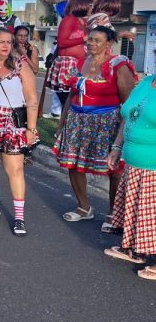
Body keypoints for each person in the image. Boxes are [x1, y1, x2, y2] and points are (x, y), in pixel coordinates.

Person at [54, 24, 136, 230]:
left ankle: (113, 214)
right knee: (72, 164)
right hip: (77, 121)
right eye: (89, 39)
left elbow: (128, 103)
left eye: (96, 40)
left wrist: (123, 133)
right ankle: (84, 208)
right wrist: (62, 122)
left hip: (107, 124)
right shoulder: (80, 63)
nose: (91, 43)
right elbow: (72, 95)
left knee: (113, 169)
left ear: (108, 44)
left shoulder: (118, 65)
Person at [0, 27, 40, 236]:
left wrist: (31, 128)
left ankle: (19, 217)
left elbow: (31, 99)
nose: (6, 46)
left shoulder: (20, 66)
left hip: (12, 123)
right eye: (1, 42)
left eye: (9, 42)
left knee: (15, 169)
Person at [104, 70, 156, 280]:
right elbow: (128, 116)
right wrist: (117, 147)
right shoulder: (147, 82)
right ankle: (135, 250)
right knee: (137, 209)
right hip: (134, 163)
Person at [46, 0, 93, 106]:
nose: (92, 8)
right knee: (68, 99)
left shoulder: (84, 22)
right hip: (69, 64)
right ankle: (65, 121)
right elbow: (61, 42)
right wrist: (83, 39)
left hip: (81, 63)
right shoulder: (69, 20)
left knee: (77, 98)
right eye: (90, 5)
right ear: (82, 5)